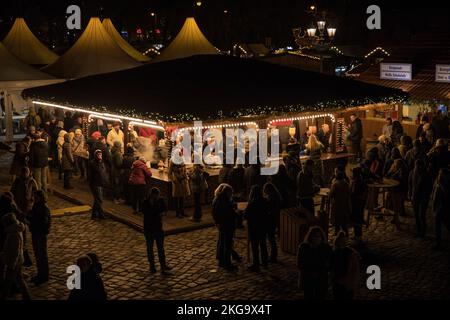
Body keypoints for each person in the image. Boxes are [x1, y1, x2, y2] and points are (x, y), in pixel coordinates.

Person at [0, 213, 31, 300]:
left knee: (7, 282)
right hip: (18, 260)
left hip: (14, 262)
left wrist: (11, 264)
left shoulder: (13, 234)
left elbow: (15, 251)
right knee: (19, 279)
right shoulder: (17, 229)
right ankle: (27, 296)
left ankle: (4, 297)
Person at [141, 188, 172, 274]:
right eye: (156, 195)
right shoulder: (146, 202)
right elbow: (147, 212)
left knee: (161, 248)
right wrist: (157, 211)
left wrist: (159, 211)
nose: (157, 197)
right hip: (149, 228)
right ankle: (152, 266)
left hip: (158, 228)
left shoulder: (160, 200)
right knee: (150, 249)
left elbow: (164, 209)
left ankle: (163, 266)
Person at [297, 226, 332, 300]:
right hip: (308, 278)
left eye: (319, 236)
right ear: (310, 237)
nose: (317, 238)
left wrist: (322, 270)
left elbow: (330, 263)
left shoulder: (326, 248)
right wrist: (310, 272)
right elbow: (300, 263)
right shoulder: (304, 247)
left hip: (321, 279)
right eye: (314, 236)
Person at [212, 184, 238, 271]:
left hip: (222, 224)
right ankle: (227, 263)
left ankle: (221, 260)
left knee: (222, 242)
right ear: (227, 192)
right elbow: (229, 213)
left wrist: (217, 222)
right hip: (227, 224)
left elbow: (214, 213)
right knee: (227, 244)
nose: (232, 194)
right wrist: (236, 214)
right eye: (231, 192)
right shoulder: (224, 201)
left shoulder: (217, 199)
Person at [243, 185, 269, 271]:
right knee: (263, 244)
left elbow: (246, 215)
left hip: (254, 227)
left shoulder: (252, 204)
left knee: (255, 246)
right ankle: (265, 262)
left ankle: (256, 264)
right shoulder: (265, 201)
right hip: (263, 226)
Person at [28, 190, 51, 285]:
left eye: (36, 196)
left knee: (42, 255)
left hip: (40, 234)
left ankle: (44, 275)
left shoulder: (43, 208)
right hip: (35, 233)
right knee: (37, 255)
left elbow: (44, 223)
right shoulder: (36, 206)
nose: (35, 198)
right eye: (34, 196)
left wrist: (33, 222)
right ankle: (40, 274)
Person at [331, 231, 360, 300]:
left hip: (345, 282)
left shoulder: (351, 254)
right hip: (339, 281)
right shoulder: (335, 253)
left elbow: (354, 271)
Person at [409, 159, 432, 238]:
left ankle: (423, 232)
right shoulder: (412, 173)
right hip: (415, 197)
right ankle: (418, 231)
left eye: (419, 165)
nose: (418, 167)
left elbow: (429, 188)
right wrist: (410, 194)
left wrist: (426, 197)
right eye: (416, 165)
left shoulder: (426, 175)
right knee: (416, 215)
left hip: (423, 198)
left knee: (422, 215)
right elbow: (410, 185)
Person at [431, 169, 450, 250]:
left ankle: (438, 243)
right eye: (439, 173)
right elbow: (434, 191)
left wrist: (442, 186)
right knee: (439, 224)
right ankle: (438, 242)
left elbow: (447, 195)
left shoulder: (446, 183)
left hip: (444, 206)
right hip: (437, 205)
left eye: (441, 173)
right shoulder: (437, 181)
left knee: (444, 223)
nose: (440, 175)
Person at [386, 158, 408, 227]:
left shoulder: (402, 171)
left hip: (398, 190)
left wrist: (393, 177)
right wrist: (391, 170)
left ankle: (396, 218)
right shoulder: (395, 169)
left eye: (396, 164)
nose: (395, 165)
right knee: (392, 203)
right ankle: (394, 217)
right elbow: (388, 175)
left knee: (396, 204)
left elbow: (401, 180)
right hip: (393, 189)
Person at [264, 183, 282, 262]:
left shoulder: (272, 198)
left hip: (272, 220)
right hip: (274, 219)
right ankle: (273, 255)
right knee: (272, 239)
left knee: (271, 238)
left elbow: (271, 209)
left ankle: (273, 256)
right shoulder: (276, 196)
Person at [88, 150, 108, 220]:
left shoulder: (101, 162)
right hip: (95, 183)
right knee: (99, 199)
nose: (100, 156)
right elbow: (98, 171)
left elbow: (103, 172)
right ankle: (101, 214)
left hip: (100, 182)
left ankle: (95, 215)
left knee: (97, 200)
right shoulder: (93, 163)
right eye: (98, 155)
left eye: (101, 155)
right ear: (95, 155)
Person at [350, 167, 367, 245]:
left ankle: (358, 237)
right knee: (357, 220)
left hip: (357, 204)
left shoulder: (357, 182)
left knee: (357, 220)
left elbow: (353, 193)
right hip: (359, 203)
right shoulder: (360, 180)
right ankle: (357, 235)